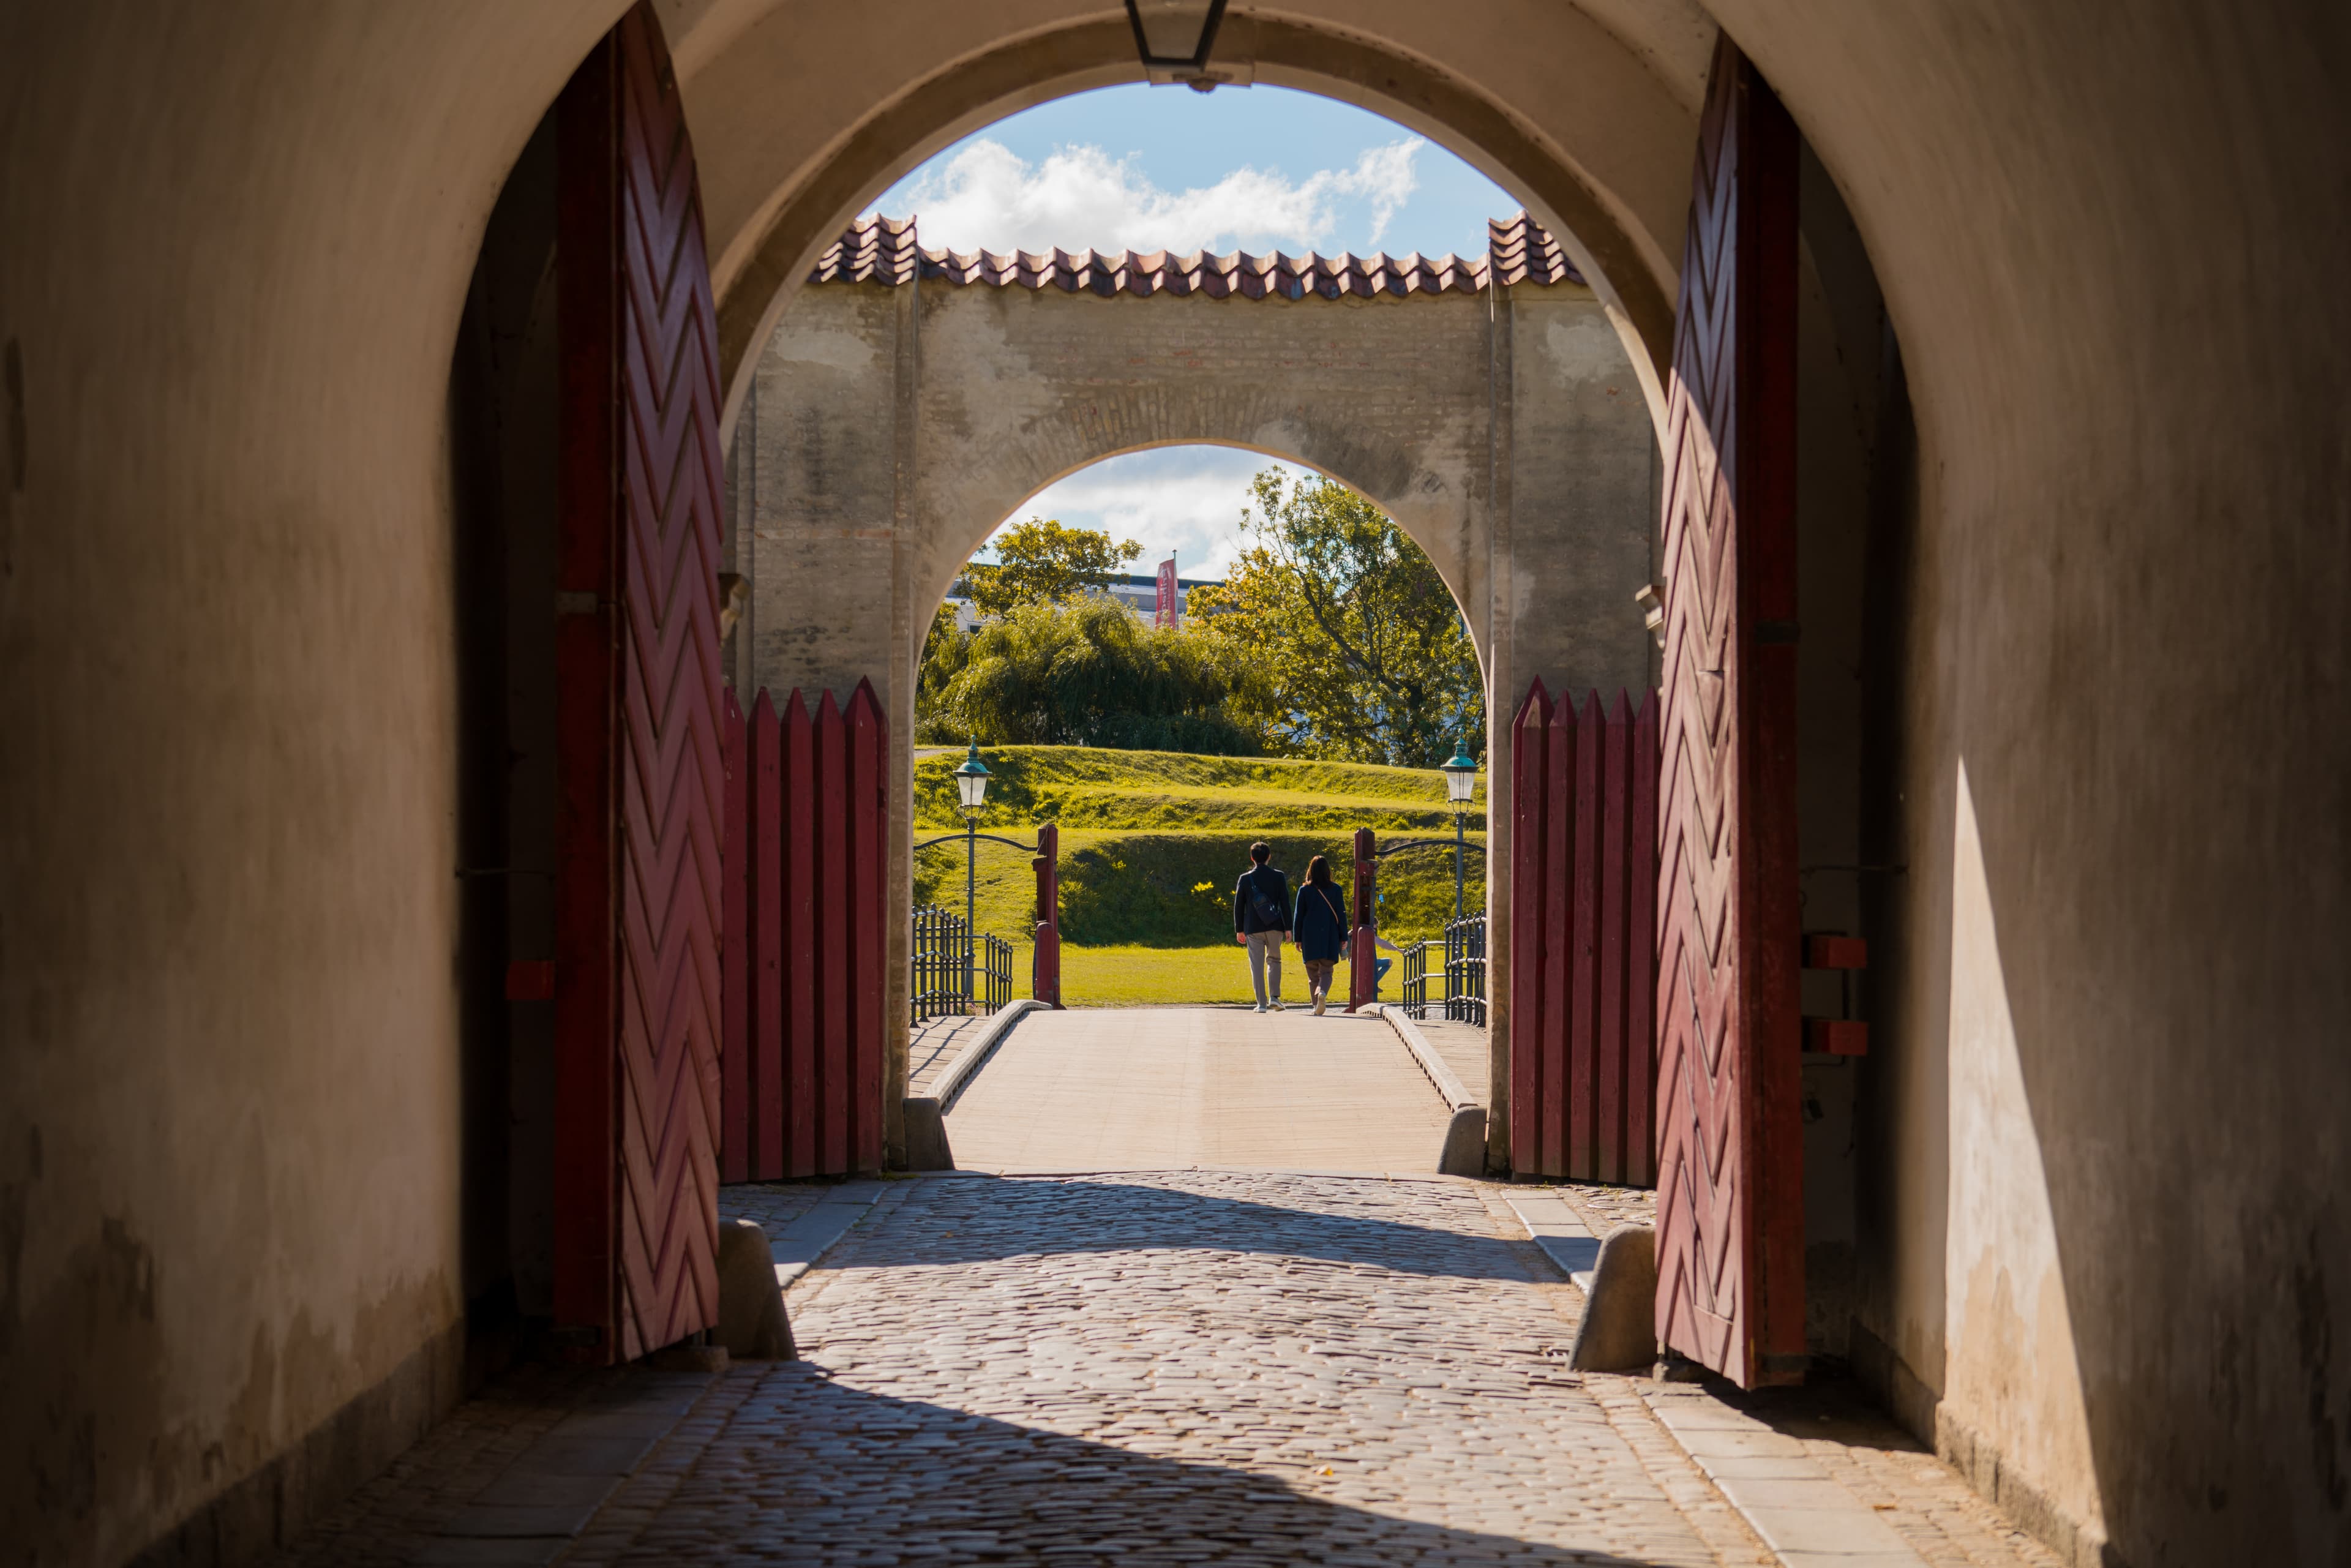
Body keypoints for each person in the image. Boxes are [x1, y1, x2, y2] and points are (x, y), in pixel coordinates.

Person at [1232, 841, 1291, 1012]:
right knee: (1274, 960)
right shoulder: (1278, 876)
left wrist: (1239, 929)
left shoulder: (1245, 878)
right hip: (1275, 926)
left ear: (1252, 858)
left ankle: (1262, 1004)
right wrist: (1288, 927)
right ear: (1269, 857)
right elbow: (1285, 903)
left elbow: (1239, 906)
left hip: (1253, 927)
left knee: (1256, 965)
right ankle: (1275, 997)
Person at [1291, 855, 1351, 1016]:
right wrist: (1343, 937)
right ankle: (1322, 992)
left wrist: (1298, 939)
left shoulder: (1304, 890)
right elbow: (1341, 915)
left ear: (1310, 870)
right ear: (1327, 871)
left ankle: (1315, 1005)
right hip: (1329, 936)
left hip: (1309, 936)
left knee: (1312, 974)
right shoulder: (1336, 889)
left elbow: (1299, 916)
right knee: (1326, 971)